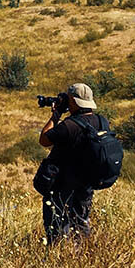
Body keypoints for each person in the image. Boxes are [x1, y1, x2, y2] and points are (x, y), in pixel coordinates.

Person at [37, 82, 102, 244]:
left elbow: (44, 140)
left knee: (57, 225)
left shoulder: (68, 126)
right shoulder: (101, 122)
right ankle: (81, 257)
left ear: (72, 101)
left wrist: (56, 115)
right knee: (81, 223)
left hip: (62, 184)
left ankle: (58, 257)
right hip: (86, 183)